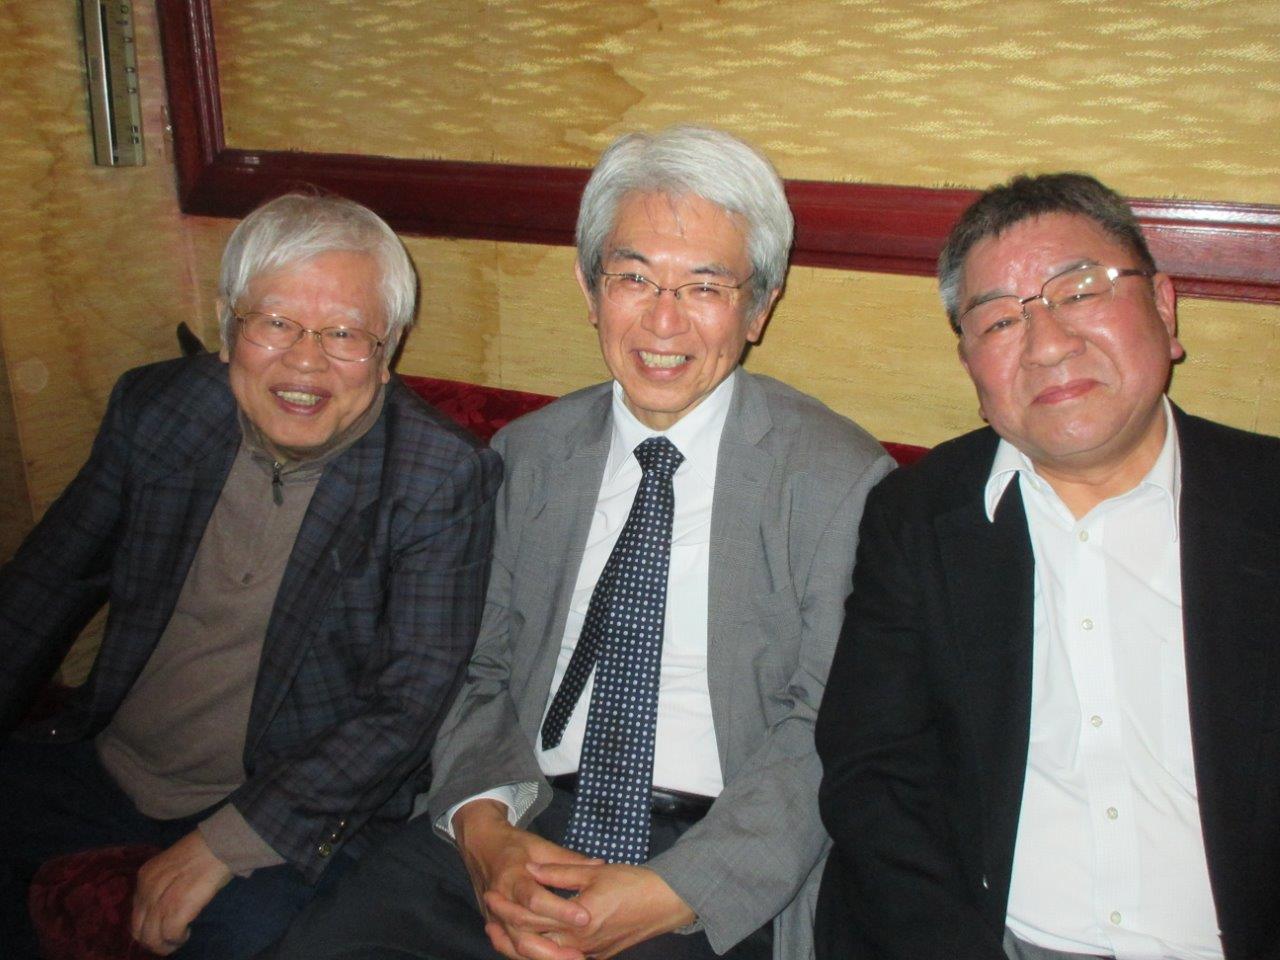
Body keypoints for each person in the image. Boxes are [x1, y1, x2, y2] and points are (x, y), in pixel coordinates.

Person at [266, 125, 895, 960]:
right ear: (589, 289)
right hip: (520, 814)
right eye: (633, 277)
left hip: (715, 855)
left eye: (705, 286)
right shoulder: (525, 457)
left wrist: (677, 892)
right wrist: (486, 833)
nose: (663, 319)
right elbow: (473, 670)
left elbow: (829, 727)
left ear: (759, 307)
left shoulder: (838, 480)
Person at [0, 193, 503, 959]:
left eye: (344, 333)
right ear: (226, 324)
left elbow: (408, 706)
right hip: (104, 762)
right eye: (274, 322)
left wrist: (228, 841)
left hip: (289, 804)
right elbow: (44, 586)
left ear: (388, 350)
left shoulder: (439, 477)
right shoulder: (160, 409)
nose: (305, 360)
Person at [814, 173, 1280, 960]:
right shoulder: (917, 516)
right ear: (970, 366)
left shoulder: (1265, 504)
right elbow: (874, 775)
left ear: (1164, 308)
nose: (1049, 343)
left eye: (1080, 291)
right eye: (1000, 320)